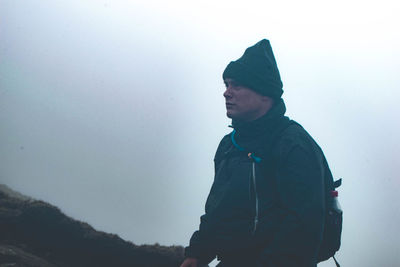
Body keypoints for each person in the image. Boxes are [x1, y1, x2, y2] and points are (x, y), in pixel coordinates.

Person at [180, 39, 331, 267]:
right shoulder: (229, 145)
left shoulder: (294, 144)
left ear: (265, 94)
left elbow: (302, 230)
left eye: (237, 85)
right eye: (226, 84)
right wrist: (197, 255)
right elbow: (218, 210)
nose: (226, 93)